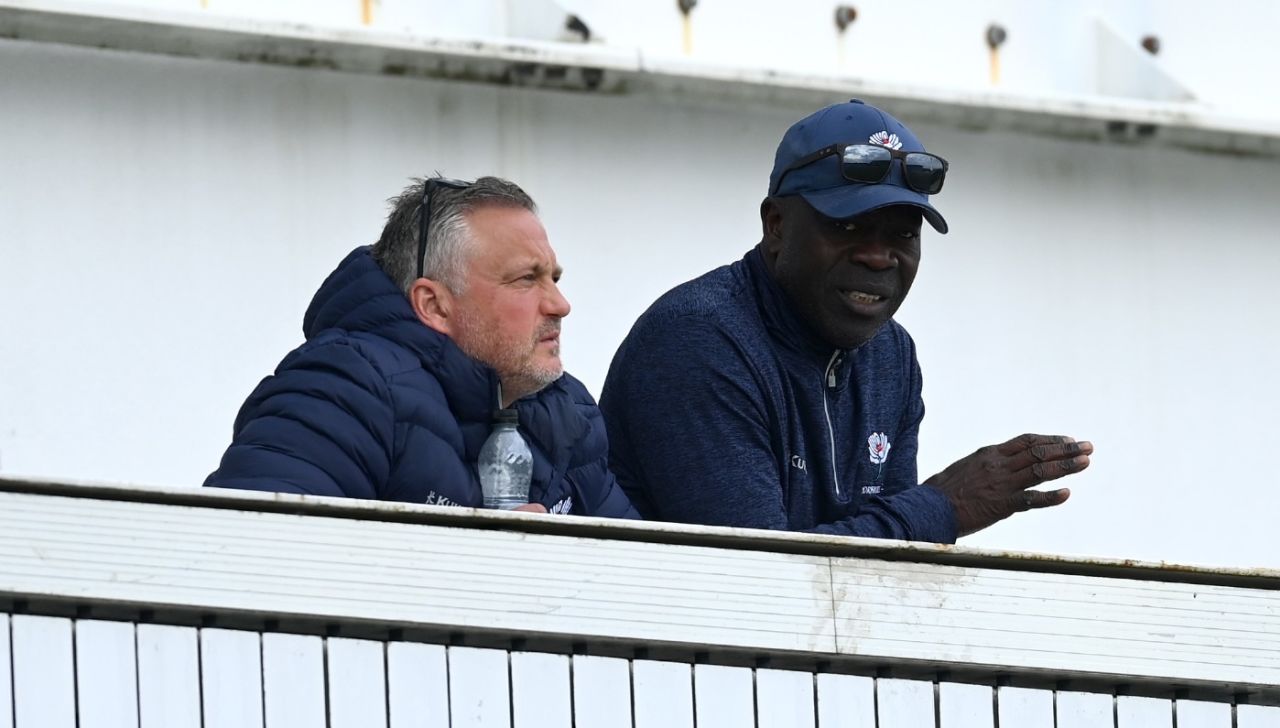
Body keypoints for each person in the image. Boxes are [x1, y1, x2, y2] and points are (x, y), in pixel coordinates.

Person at [600, 100, 1091, 542]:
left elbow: (888, 566)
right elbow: (754, 581)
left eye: (902, 233)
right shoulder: (698, 340)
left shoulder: (890, 353)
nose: (880, 258)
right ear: (776, 225)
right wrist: (945, 506)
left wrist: (931, 515)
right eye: (848, 226)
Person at [206, 176, 638, 519]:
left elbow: (641, 583)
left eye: (554, 279)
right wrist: (466, 572)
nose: (560, 305)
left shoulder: (567, 412)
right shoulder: (343, 387)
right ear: (434, 305)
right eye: (526, 279)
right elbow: (249, 558)